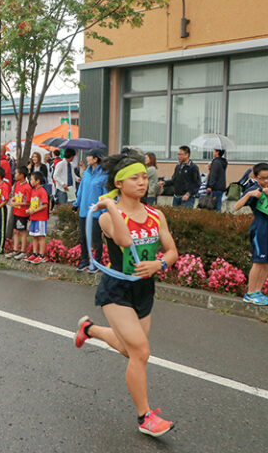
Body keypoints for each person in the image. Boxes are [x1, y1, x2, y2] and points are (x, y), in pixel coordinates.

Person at [74, 150, 179, 437]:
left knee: (129, 349)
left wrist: (159, 263)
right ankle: (145, 417)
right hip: (117, 288)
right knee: (141, 352)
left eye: (145, 177)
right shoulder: (106, 215)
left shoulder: (157, 214)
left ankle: (89, 329)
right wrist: (110, 206)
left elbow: (172, 252)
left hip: (145, 289)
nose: (142, 182)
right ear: (119, 183)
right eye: (135, 178)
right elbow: (123, 240)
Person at [233, 162, 268, 305]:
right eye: (263, 178)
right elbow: (236, 206)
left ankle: (258, 291)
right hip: (260, 230)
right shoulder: (254, 189)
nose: (266, 181)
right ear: (255, 177)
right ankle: (250, 293)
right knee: (259, 262)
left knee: (267, 263)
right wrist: (249, 194)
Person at [74, 149, 108, 272]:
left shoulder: (104, 175)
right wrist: (76, 204)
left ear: (95, 159)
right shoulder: (87, 173)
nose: (87, 158)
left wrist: (104, 212)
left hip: (96, 213)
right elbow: (81, 190)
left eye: (89, 156)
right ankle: (84, 260)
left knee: (96, 239)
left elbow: (106, 195)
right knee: (83, 237)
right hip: (83, 211)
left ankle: (96, 262)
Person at [6, 166, 32, 260]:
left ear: (22, 175)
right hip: (16, 211)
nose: (15, 175)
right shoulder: (17, 184)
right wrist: (13, 199)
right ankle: (15, 249)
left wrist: (17, 203)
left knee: (22, 231)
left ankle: (23, 251)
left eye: (16, 173)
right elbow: (14, 195)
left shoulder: (27, 187)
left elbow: (28, 202)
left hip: (23, 213)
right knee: (15, 231)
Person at [25, 172, 49, 264]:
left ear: (37, 181)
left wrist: (34, 211)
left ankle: (41, 255)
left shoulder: (42, 191)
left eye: (32, 179)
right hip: (33, 217)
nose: (30, 181)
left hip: (41, 218)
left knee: (41, 236)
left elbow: (44, 205)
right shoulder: (33, 191)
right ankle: (35, 254)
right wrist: (30, 210)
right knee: (34, 236)